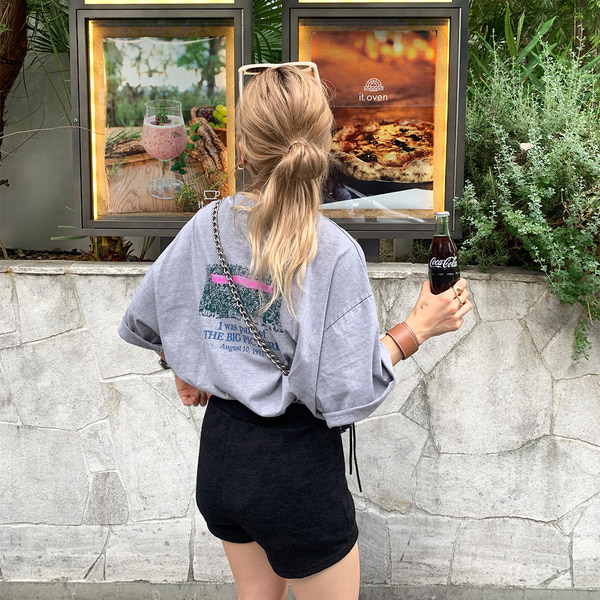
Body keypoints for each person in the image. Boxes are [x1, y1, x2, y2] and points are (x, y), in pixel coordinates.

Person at [118, 63, 472, 600]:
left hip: (222, 458)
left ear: (242, 149)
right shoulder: (332, 252)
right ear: (325, 146)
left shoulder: (208, 224)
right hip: (294, 472)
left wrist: (184, 369)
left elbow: (152, 315)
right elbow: (341, 388)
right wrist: (417, 328)